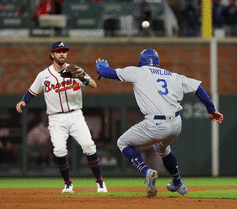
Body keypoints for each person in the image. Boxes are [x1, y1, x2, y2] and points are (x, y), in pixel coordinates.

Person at [95, 48, 223, 197]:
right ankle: (178, 183)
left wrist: (101, 66)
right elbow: (198, 88)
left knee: (122, 142)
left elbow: (108, 73)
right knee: (162, 149)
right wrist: (211, 109)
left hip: (155, 124)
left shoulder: (138, 72)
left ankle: (146, 171)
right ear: (157, 62)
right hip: (176, 123)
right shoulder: (172, 75)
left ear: (141, 61)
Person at [16, 41, 108, 193]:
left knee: (88, 146)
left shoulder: (74, 69)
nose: (62, 54)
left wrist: (82, 78)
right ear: (52, 54)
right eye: (58, 51)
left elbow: (93, 84)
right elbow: (31, 92)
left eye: (64, 51)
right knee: (59, 150)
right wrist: (22, 101)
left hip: (75, 115)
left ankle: (100, 182)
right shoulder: (44, 75)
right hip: (56, 118)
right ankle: (68, 184)